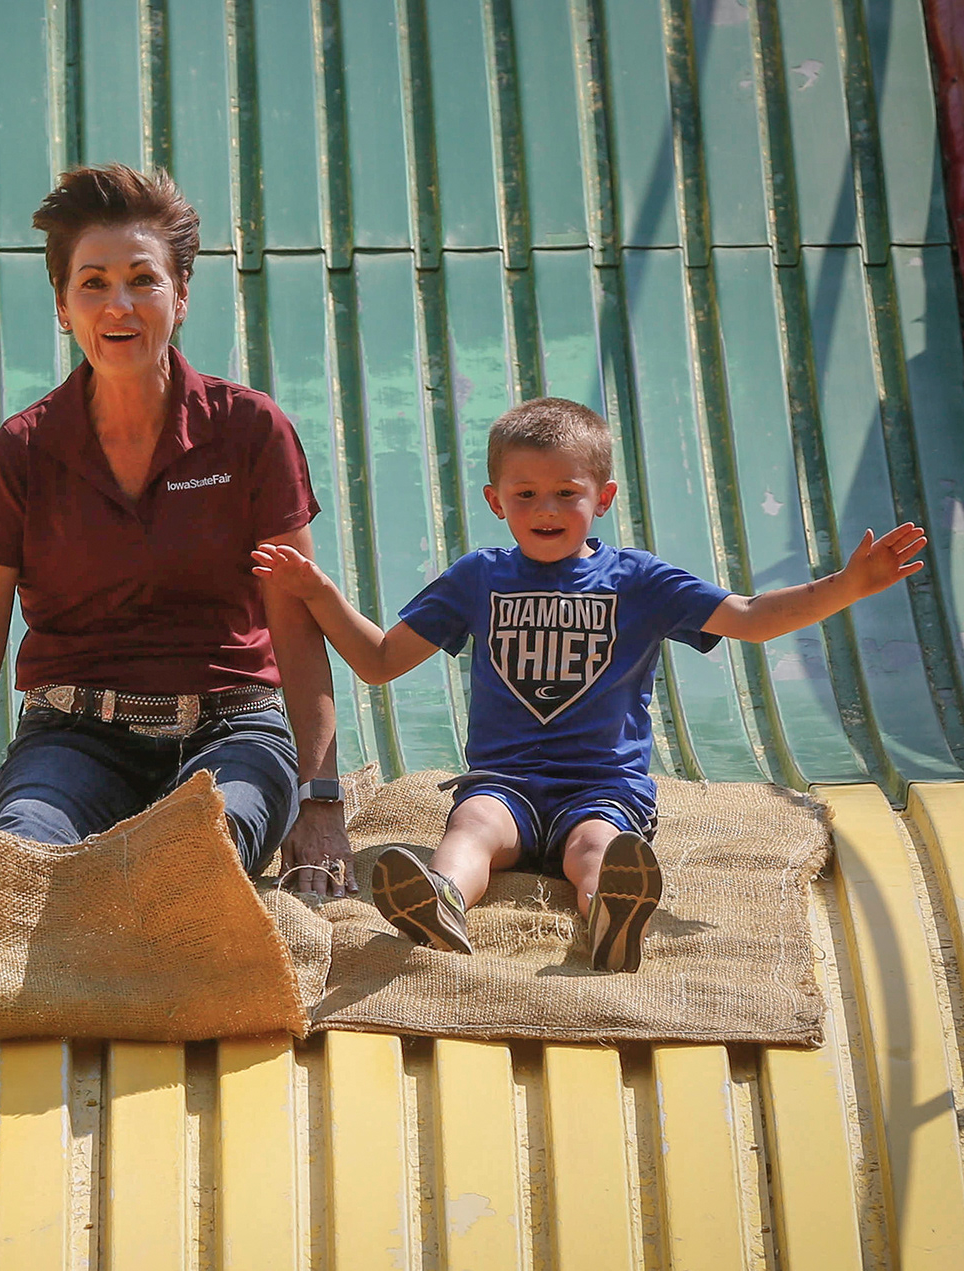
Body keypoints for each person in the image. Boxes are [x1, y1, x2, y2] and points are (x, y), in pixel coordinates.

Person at [253, 396, 925, 972]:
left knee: (597, 846)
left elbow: (750, 620)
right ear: (496, 502)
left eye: (566, 493)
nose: (546, 507)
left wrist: (848, 585)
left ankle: (612, 912)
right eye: (525, 495)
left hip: (603, 785)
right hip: (506, 784)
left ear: (601, 496)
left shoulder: (639, 580)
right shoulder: (478, 577)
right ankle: (442, 900)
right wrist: (319, 594)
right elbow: (378, 660)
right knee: (471, 827)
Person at [0, 163, 353, 889]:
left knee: (194, 868)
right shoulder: (19, 454)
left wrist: (321, 803)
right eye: (92, 282)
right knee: (29, 871)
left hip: (236, 731)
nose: (118, 303)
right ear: (64, 306)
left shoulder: (252, 432)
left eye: (143, 279)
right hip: (72, 737)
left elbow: (298, 627)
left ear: (181, 294)